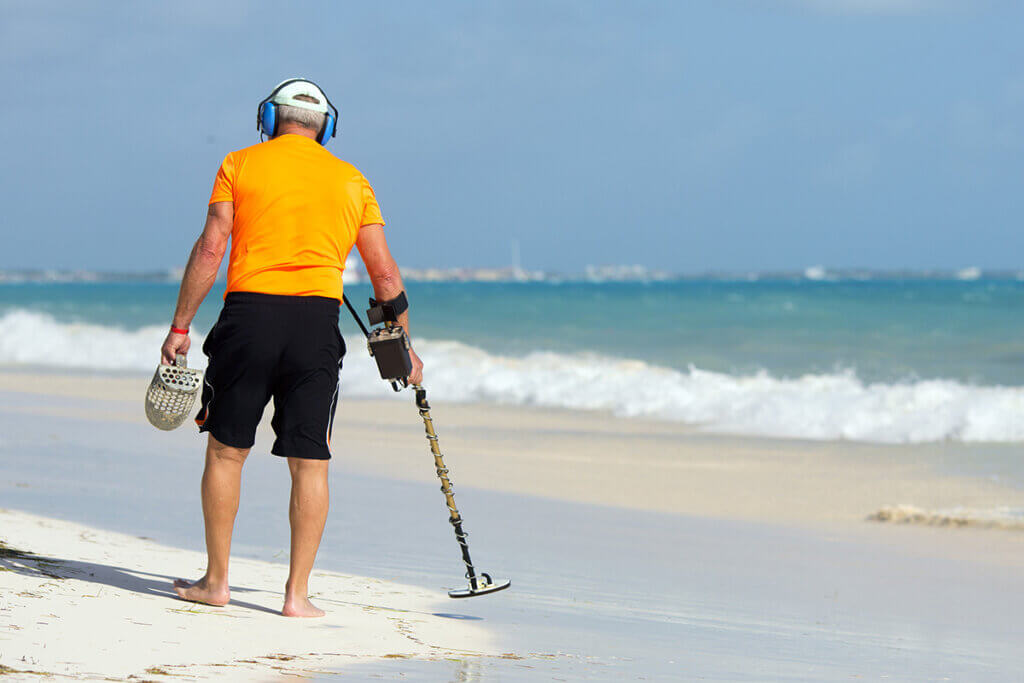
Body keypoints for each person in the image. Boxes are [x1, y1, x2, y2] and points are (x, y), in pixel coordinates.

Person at [159, 78, 423, 617]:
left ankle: (217, 582)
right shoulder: (353, 180)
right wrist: (405, 351)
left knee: (227, 450)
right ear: (326, 126)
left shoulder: (239, 163)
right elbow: (385, 275)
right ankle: (296, 597)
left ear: (269, 118)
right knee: (310, 462)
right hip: (315, 328)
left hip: (248, 321)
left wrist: (180, 326)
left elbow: (212, 246)